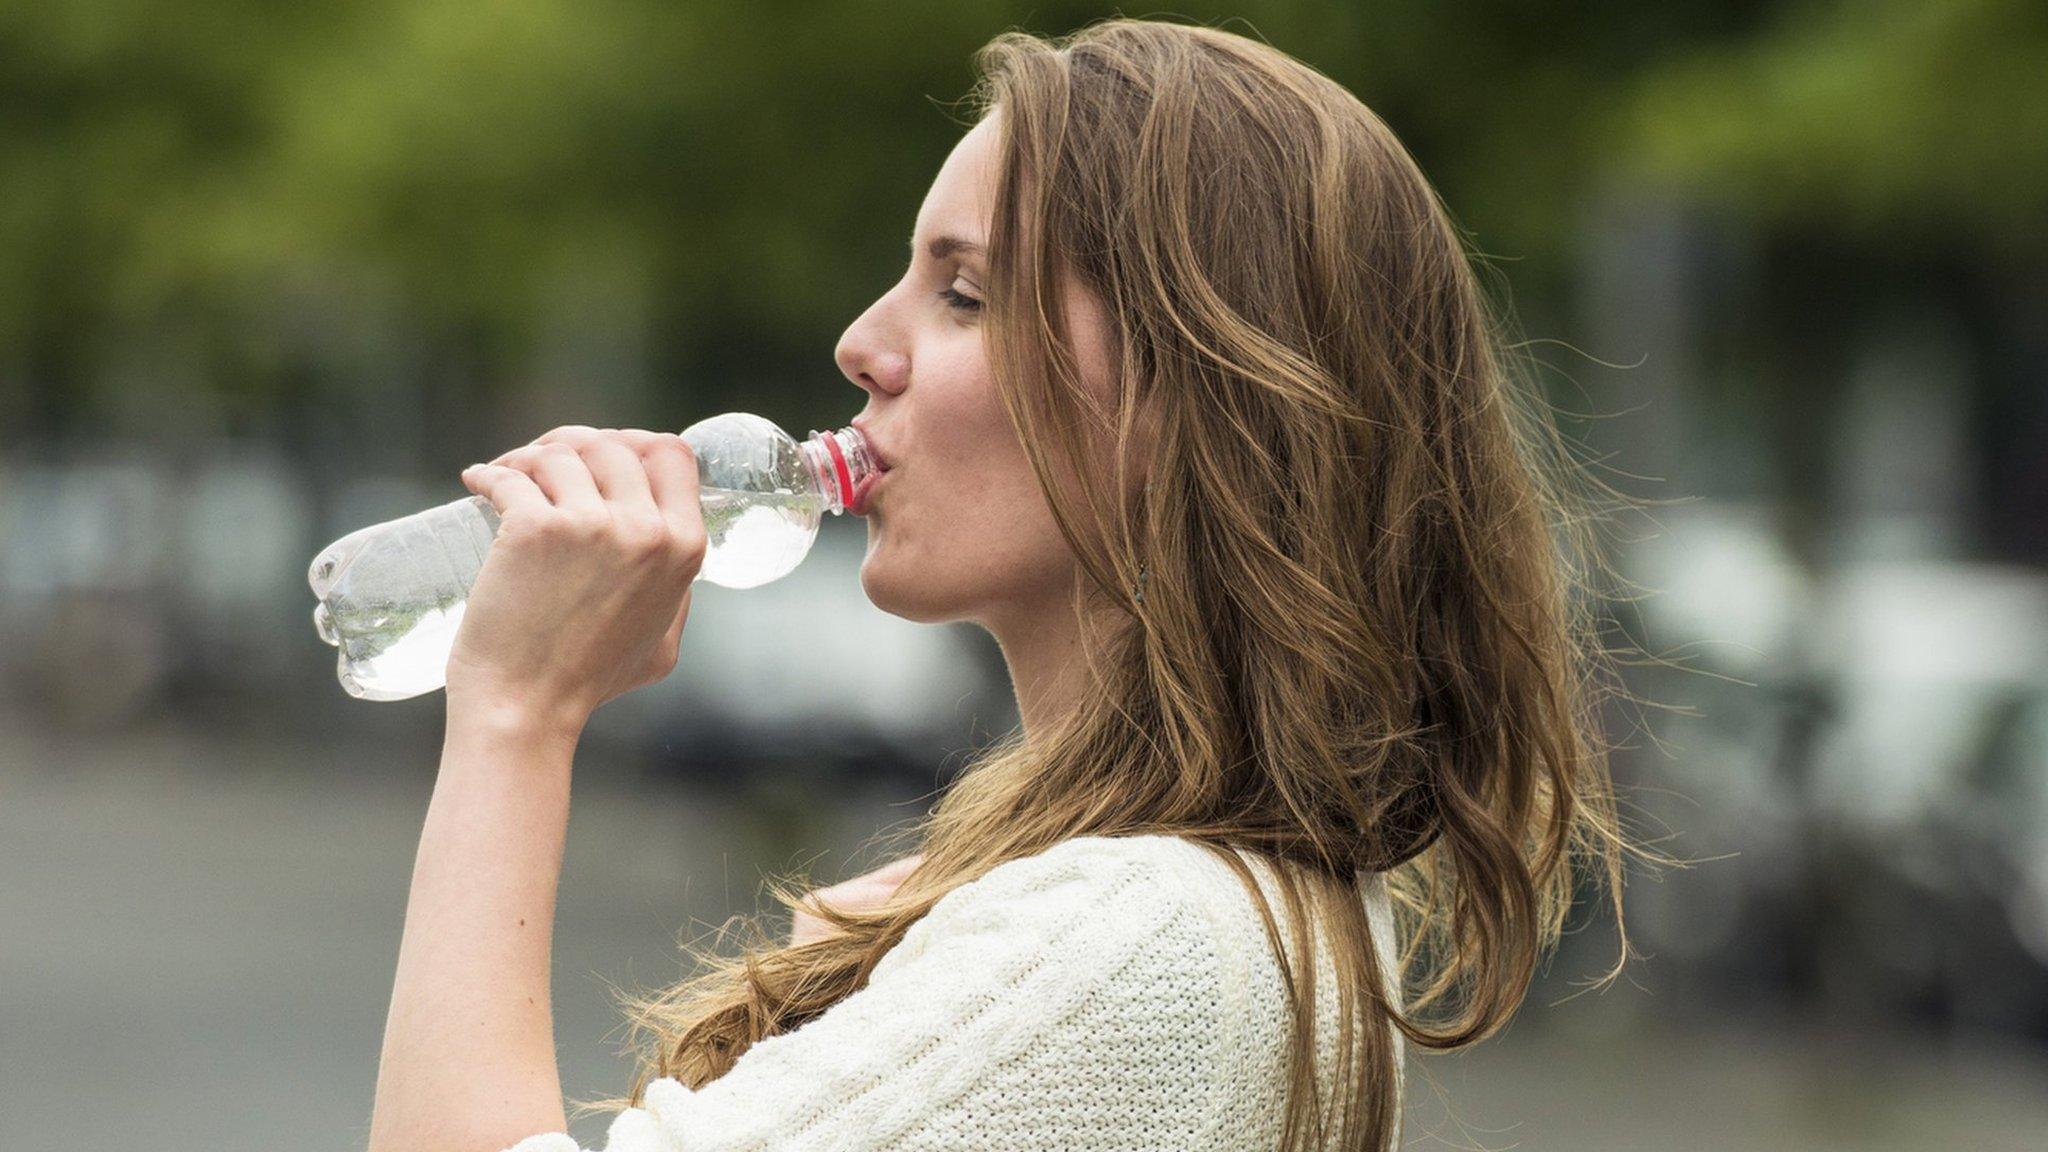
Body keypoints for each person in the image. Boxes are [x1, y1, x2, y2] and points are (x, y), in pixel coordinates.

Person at [363, 18, 1645, 1152]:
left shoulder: (1134, 937)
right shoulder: (1189, 906)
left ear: (1197, 400)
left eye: (962, 293)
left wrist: (514, 719)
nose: (862, 346)